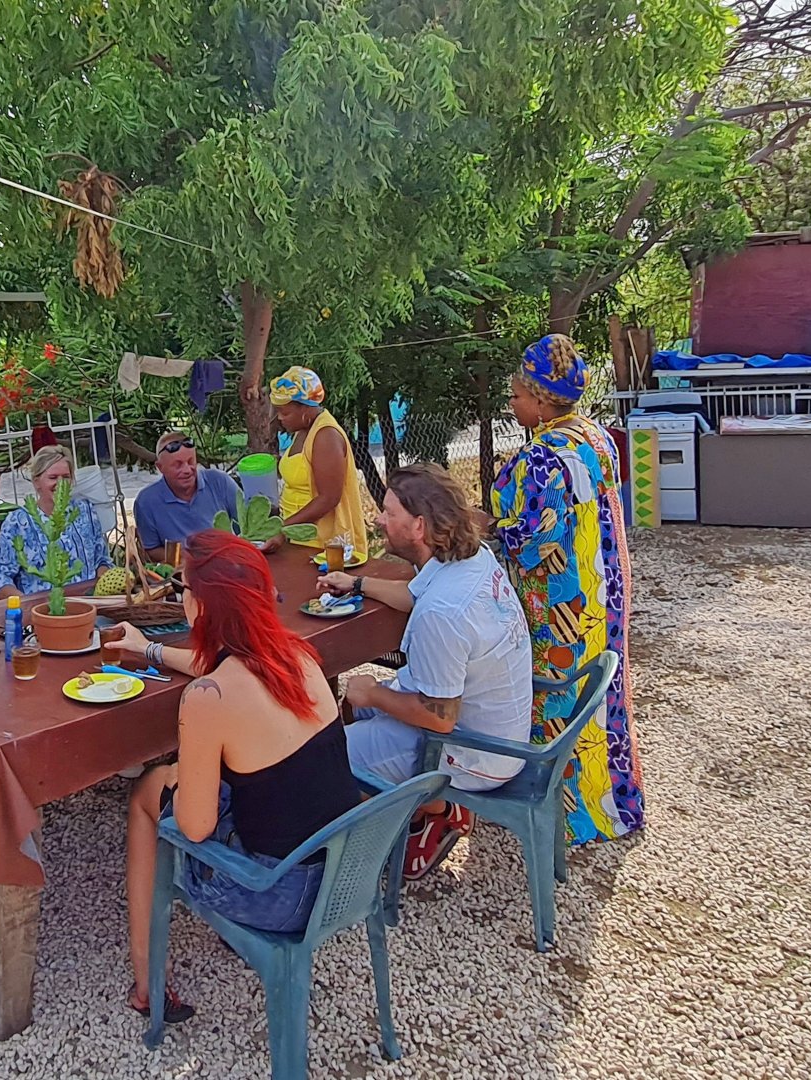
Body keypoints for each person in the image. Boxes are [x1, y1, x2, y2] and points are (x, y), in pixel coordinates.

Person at [102, 530, 359, 1023]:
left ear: (199, 606)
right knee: (210, 775)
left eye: (182, 590)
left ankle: (146, 981)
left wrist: (180, 773)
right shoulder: (298, 656)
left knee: (146, 792)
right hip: (344, 875)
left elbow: (195, 830)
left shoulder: (208, 699)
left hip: (279, 895)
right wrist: (149, 651)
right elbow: (222, 663)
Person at [317, 464, 531, 879]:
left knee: (325, 758)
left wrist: (374, 694)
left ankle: (388, 840)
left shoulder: (444, 613)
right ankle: (430, 810)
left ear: (418, 526)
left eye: (387, 511)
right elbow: (414, 594)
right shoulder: (471, 560)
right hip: (499, 730)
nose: (378, 519)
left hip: (472, 752)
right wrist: (357, 584)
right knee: (352, 710)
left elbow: (440, 717)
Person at [490, 333, 643, 842]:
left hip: (563, 598)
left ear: (539, 398)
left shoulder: (544, 455)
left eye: (516, 395)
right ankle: (611, 799)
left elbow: (536, 539)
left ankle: (566, 815)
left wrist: (489, 528)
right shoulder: (595, 436)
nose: (511, 404)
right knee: (602, 692)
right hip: (606, 587)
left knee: (558, 695)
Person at [0, 444, 115, 600]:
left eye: (66, 477)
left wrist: (102, 589)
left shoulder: (85, 511)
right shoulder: (17, 522)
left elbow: (102, 560)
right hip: (40, 610)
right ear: (36, 481)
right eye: (52, 477)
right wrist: (28, 604)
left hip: (89, 605)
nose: (60, 483)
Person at [269, 366, 371, 563]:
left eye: (284, 412)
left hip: (324, 544)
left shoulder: (326, 436)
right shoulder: (303, 430)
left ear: (305, 407)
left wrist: (283, 528)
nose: (279, 418)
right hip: (301, 536)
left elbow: (328, 498)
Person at [133, 431, 243, 562]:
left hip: (227, 563)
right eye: (177, 465)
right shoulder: (146, 502)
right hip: (180, 573)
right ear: (160, 467)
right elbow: (151, 550)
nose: (187, 470)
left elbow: (245, 524)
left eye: (191, 462)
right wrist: (189, 560)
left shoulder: (220, 481)